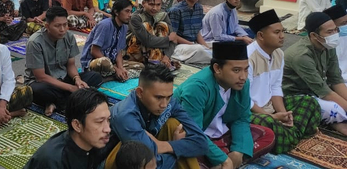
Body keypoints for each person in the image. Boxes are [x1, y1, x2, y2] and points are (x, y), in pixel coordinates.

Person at [174, 41, 275, 169]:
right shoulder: (197, 88)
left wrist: (238, 151)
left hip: (222, 134)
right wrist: (223, 159)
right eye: (236, 70)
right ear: (217, 68)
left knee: (267, 134)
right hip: (198, 138)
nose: (243, 76)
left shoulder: (242, 83)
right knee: (189, 157)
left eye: (246, 69)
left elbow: (241, 118)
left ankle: (224, 161)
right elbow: (194, 132)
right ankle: (220, 161)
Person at [246, 9, 321, 153]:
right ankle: (294, 135)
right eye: (276, 33)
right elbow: (245, 99)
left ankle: (288, 135)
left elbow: (275, 88)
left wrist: (285, 115)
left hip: (271, 106)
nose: (282, 36)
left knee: (309, 102)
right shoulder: (248, 57)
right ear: (261, 36)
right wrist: (272, 117)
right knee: (268, 123)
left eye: (283, 31)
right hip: (252, 112)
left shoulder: (279, 54)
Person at [107, 64, 209, 169]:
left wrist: (164, 146)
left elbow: (202, 143)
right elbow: (152, 165)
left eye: (168, 97)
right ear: (140, 92)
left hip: (152, 152)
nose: (164, 104)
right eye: (158, 97)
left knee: (174, 125)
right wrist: (177, 148)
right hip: (119, 161)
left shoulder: (169, 103)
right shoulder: (126, 115)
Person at [25, 6, 103, 116]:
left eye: (65, 25)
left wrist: (77, 79)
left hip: (64, 78)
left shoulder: (69, 37)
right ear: (47, 26)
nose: (62, 29)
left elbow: (70, 65)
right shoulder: (35, 42)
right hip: (44, 82)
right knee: (38, 90)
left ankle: (56, 102)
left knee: (94, 76)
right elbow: (41, 76)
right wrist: (71, 88)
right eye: (57, 26)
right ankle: (74, 99)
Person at [283, 11, 347, 135]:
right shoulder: (301, 55)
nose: (334, 35)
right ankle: (334, 122)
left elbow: (336, 80)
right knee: (336, 110)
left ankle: (335, 120)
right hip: (297, 96)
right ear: (314, 35)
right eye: (329, 32)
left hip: (319, 91)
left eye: (335, 30)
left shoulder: (328, 46)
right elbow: (323, 91)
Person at [24, 88, 116, 169]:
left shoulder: (92, 142)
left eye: (108, 120)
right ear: (77, 125)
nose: (107, 129)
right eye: (99, 122)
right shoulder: (54, 161)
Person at [80, 0, 132, 81]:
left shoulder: (124, 27)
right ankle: (112, 75)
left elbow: (118, 51)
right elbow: (94, 51)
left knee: (140, 67)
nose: (130, 15)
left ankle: (112, 75)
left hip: (111, 61)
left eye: (130, 12)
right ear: (116, 12)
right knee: (104, 62)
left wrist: (121, 68)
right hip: (96, 62)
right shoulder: (105, 25)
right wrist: (116, 69)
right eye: (127, 11)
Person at [128, 0, 178, 68]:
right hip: (137, 52)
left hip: (157, 51)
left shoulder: (163, 15)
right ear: (144, 3)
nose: (155, 8)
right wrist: (168, 39)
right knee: (146, 25)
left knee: (163, 25)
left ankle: (160, 60)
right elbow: (147, 40)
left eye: (158, 5)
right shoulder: (136, 17)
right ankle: (155, 63)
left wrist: (167, 56)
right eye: (151, 4)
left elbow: (174, 40)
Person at [168, 0, 212, 65]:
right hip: (178, 46)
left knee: (216, 46)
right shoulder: (176, 10)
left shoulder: (199, 8)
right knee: (199, 49)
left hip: (193, 45)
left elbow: (197, 32)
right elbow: (174, 36)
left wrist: (206, 47)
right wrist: (193, 45)